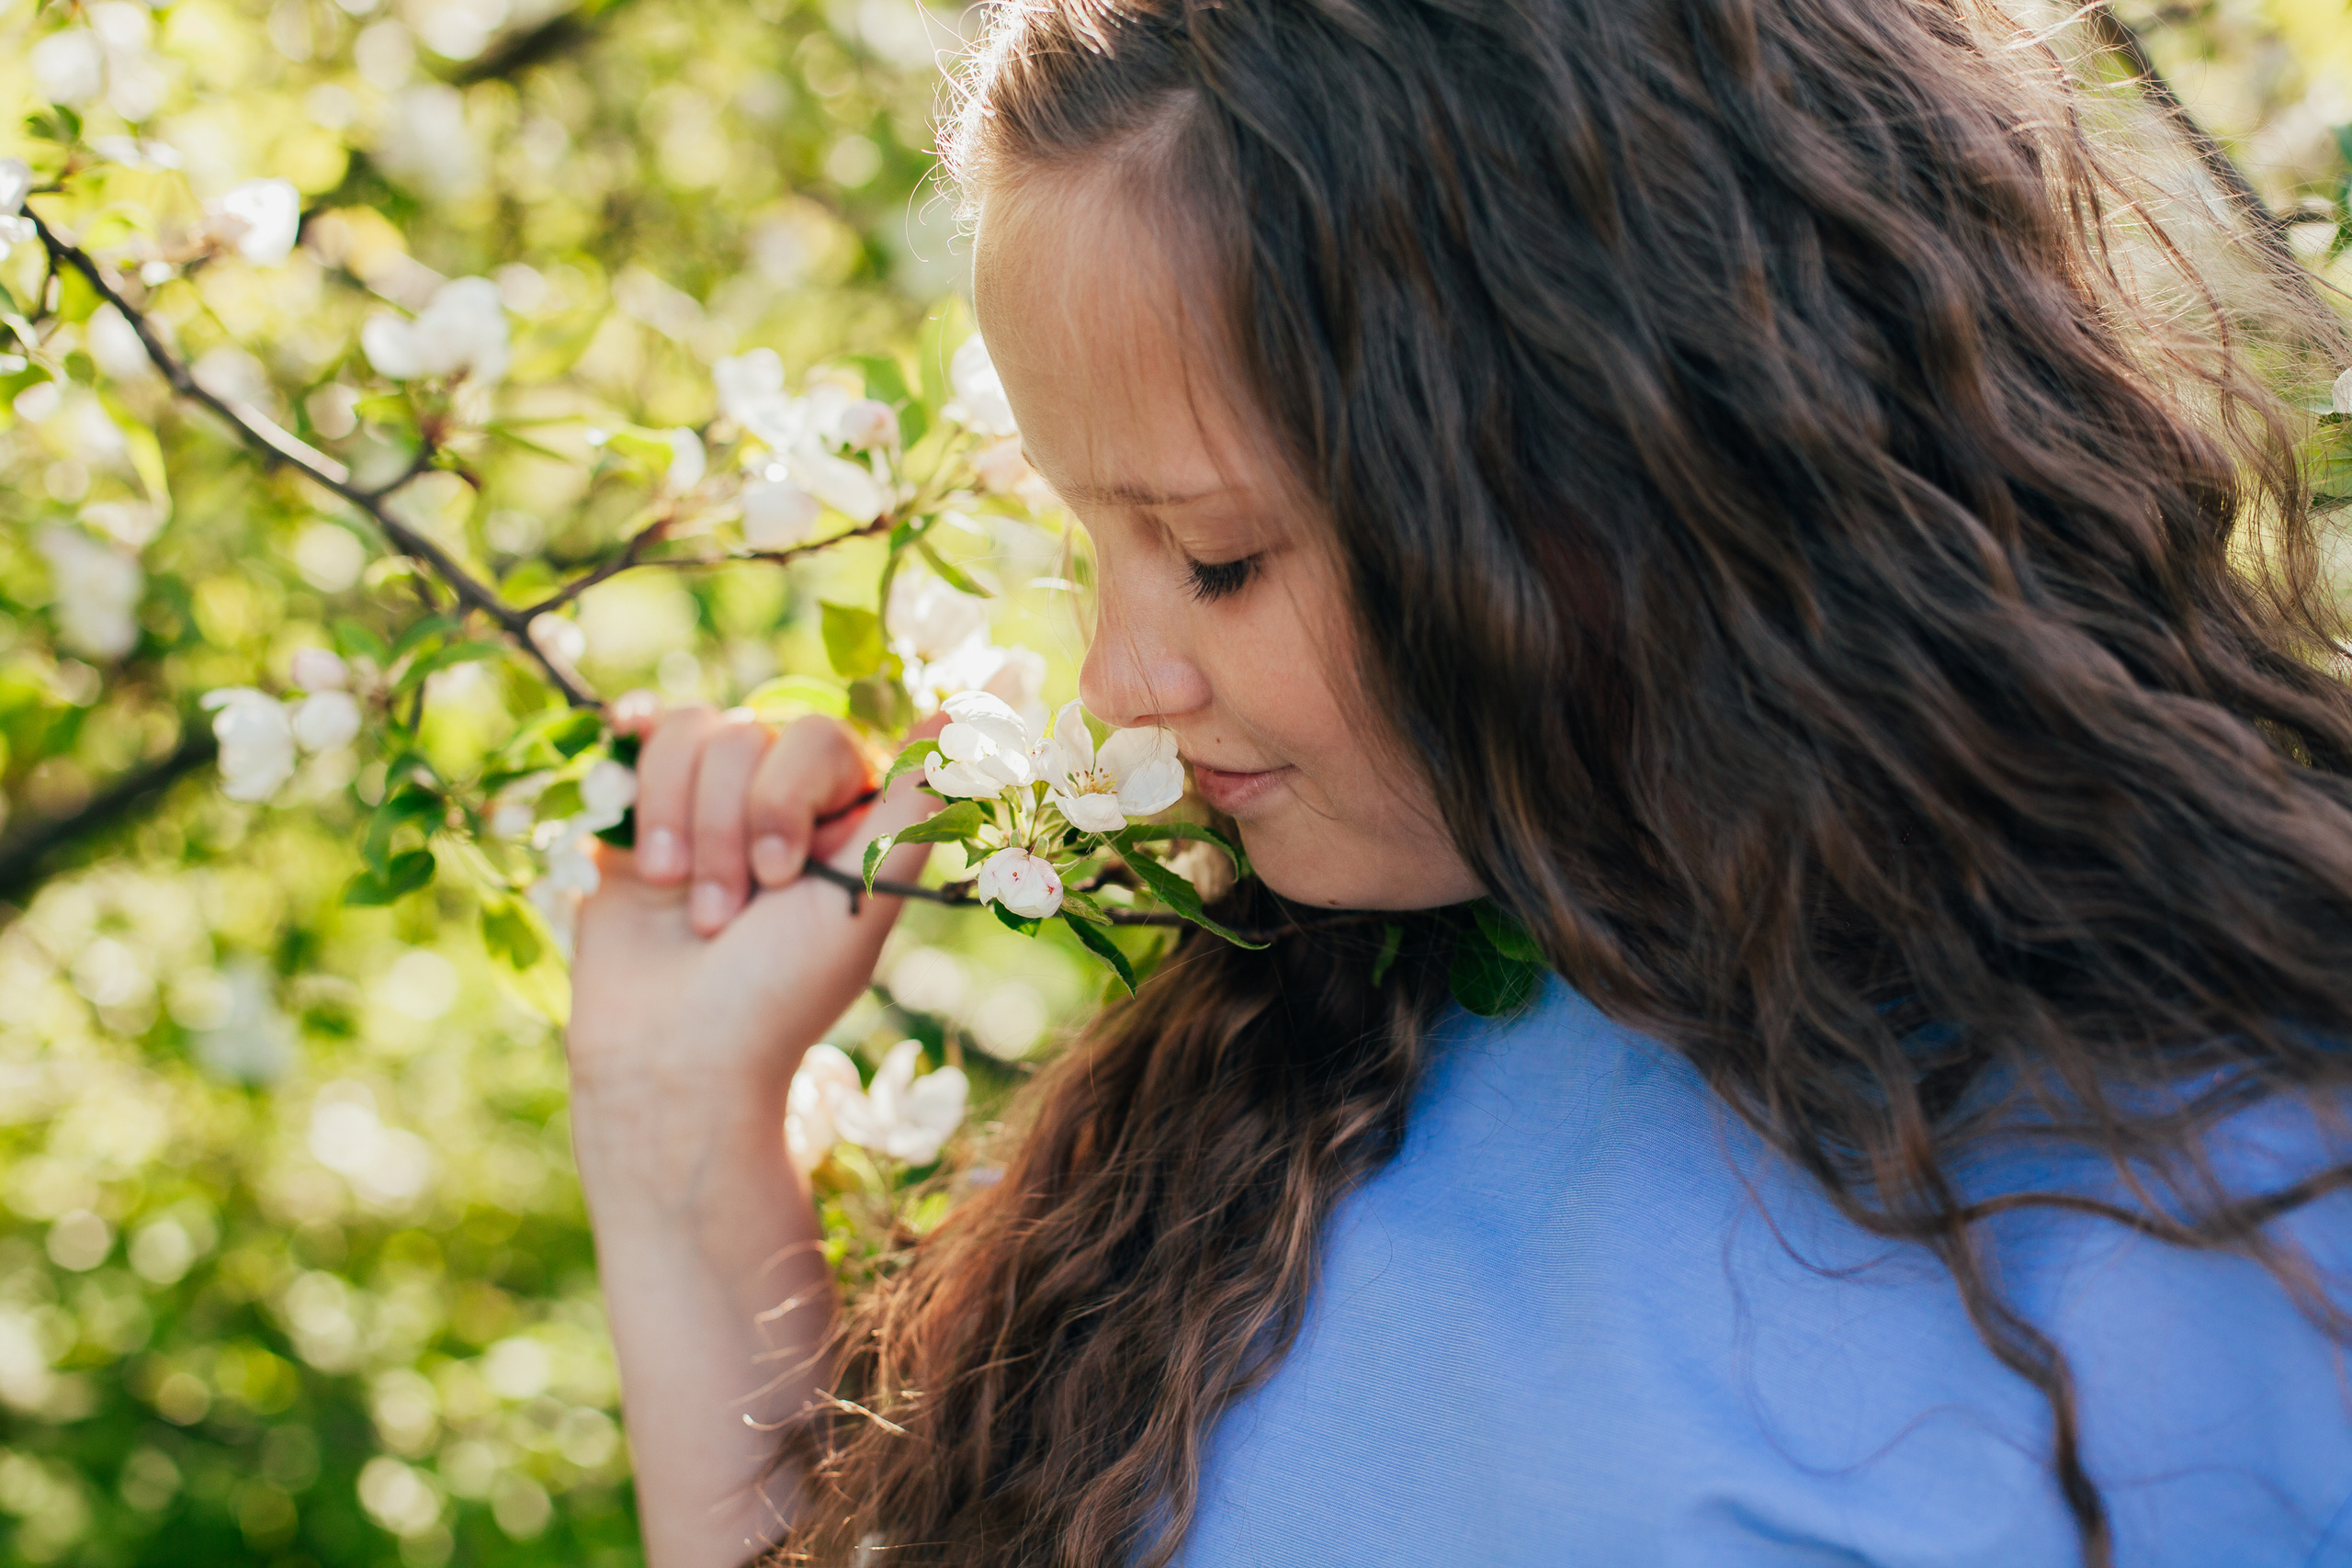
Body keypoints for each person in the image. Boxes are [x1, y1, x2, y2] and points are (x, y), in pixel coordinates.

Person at [563, 0, 2352, 1562]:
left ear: (1622, 460)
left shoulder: (2251, 1207)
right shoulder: (1292, 1063)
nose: (1116, 683)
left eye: (1214, 555)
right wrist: (672, 1130)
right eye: (1082, 532)